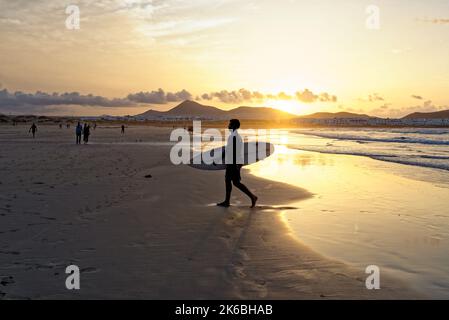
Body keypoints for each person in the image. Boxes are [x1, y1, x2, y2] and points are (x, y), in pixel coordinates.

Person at [217, 119, 258, 208]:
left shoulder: (235, 137)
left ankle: (252, 197)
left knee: (234, 182)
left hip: (234, 162)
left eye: (230, 124)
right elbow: (228, 149)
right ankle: (227, 201)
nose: (228, 126)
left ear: (234, 126)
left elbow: (234, 151)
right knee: (231, 181)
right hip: (233, 162)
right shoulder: (233, 136)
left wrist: (235, 164)